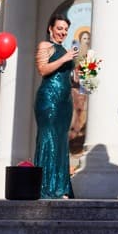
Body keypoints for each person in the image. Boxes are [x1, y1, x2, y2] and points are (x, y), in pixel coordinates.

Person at [34, 13, 77, 199]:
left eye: (65, 30)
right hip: (48, 99)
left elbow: (69, 78)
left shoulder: (65, 50)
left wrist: (81, 77)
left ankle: (61, 188)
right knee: (48, 139)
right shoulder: (46, 46)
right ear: (50, 29)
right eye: (59, 28)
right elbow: (43, 70)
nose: (63, 32)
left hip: (65, 102)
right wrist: (64, 59)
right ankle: (46, 187)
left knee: (61, 141)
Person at [68, 26, 92, 158]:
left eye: (88, 38)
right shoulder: (76, 52)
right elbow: (71, 67)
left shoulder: (91, 54)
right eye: (84, 38)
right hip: (76, 87)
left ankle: (80, 134)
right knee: (75, 111)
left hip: (85, 87)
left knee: (83, 112)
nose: (86, 41)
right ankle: (73, 133)